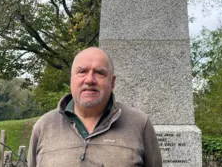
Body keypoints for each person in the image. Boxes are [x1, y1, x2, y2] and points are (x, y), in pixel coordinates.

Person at [27, 47, 162, 167]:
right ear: (71, 79)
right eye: (82, 71)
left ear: (112, 82)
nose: (90, 80)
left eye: (99, 72)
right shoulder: (44, 126)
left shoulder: (139, 124)